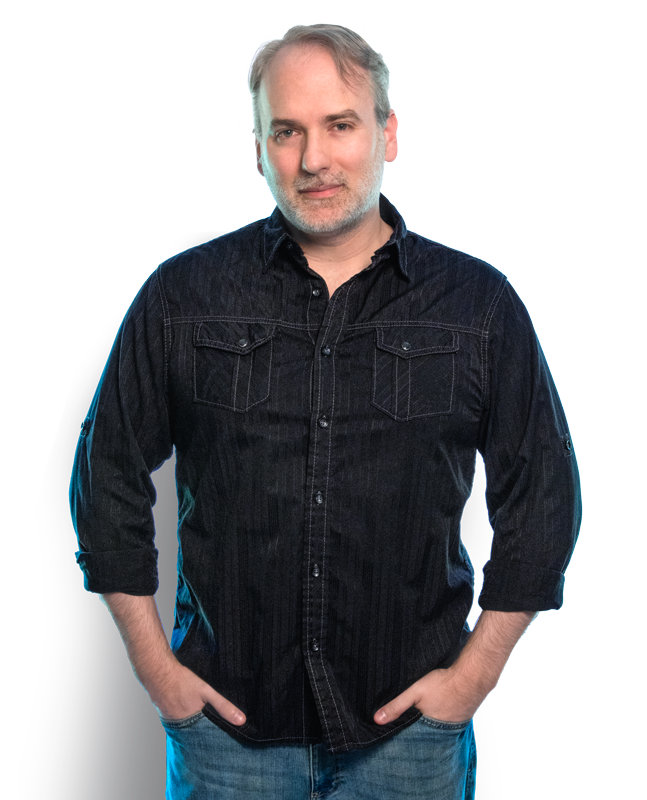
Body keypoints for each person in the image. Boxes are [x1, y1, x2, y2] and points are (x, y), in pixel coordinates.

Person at [69, 22, 581, 800]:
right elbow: (106, 473)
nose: (313, 159)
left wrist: (471, 680)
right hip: (227, 734)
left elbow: (542, 498)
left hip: (411, 738)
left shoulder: (475, 305)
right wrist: (154, 669)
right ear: (258, 147)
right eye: (287, 131)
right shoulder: (184, 295)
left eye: (340, 125)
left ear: (386, 133)